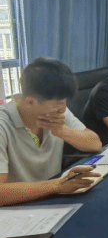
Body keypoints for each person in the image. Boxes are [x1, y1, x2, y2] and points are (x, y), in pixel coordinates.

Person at [0, 58, 102, 206]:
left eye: (64, 101)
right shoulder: (3, 123)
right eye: (59, 103)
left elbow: (95, 144)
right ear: (30, 101)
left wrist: (62, 131)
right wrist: (57, 185)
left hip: (52, 200)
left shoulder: (57, 113)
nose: (64, 108)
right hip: (18, 208)